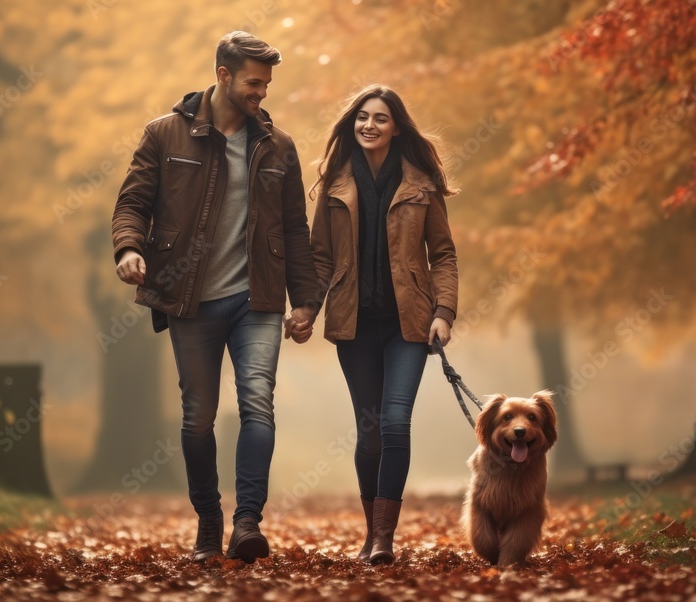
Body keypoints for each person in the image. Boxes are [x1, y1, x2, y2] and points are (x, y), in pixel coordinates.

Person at [112, 31, 319, 564]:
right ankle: (209, 518)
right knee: (197, 417)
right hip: (190, 300)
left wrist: (305, 301)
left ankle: (247, 521)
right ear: (223, 75)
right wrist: (128, 249)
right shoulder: (164, 134)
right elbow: (133, 202)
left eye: (267, 84)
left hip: (259, 299)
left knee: (257, 403)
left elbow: (296, 230)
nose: (262, 93)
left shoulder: (279, 146)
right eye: (254, 82)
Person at [292, 84, 458, 565]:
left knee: (395, 422)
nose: (370, 125)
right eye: (362, 116)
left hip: (410, 323)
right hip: (355, 323)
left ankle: (384, 539)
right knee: (368, 431)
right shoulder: (334, 185)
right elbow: (321, 258)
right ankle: (372, 534)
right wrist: (307, 309)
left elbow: (443, 254)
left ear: (397, 126)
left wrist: (443, 313)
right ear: (352, 123)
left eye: (380, 118)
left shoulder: (422, 184)